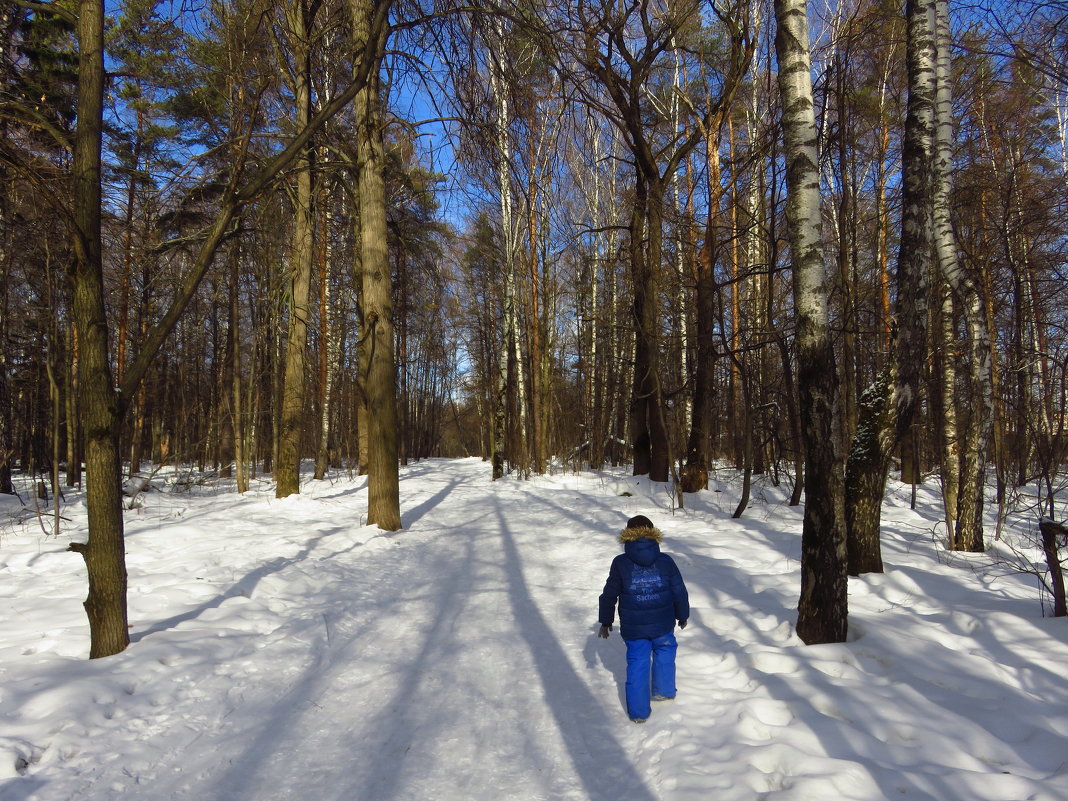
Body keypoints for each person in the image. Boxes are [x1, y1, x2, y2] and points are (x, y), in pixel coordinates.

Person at [598, 515, 690, 723]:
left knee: (638, 662)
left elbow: (609, 594)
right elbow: (679, 591)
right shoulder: (665, 561)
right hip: (663, 624)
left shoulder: (621, 563)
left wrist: (606, 620)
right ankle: (664, 691)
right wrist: (682, 615)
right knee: (665, 651)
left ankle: (639, 712)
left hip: (634, 628)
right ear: (652, 533)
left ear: (627, 535)